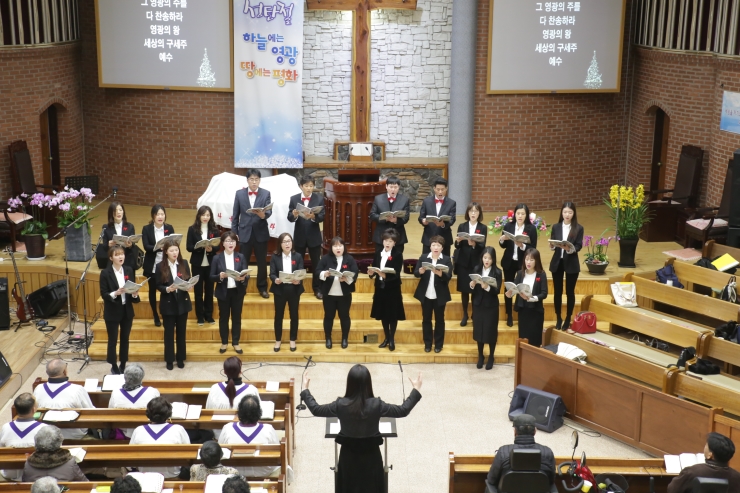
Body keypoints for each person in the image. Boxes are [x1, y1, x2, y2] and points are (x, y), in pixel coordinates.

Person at [300, 364, 422, 493]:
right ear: (368, 383)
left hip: (348, 459)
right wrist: (416, 389)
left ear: (349, 383)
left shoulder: (340, 405)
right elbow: (403, 410)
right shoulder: (377, 405)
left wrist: (305, 389)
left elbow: (316, 409)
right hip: (372, 459)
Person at [484, 414, 556, 493]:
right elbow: (551, 481)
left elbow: (491, 480)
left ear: (515, 431)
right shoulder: (547, 453)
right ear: (535, 431)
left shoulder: (503, 452)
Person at [231, 169, 272, 299]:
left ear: (259, 180)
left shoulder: (266, 193)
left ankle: (262, 288)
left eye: (256, 179)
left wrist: (263, 215)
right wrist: (234, 233)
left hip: (261, 232)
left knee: (262, 262)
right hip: (244, 232)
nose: (254, 182)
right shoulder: (239, 194)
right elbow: (235, 216)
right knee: (243, 262)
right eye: (251, 179)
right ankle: (242, 286)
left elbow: (269, 212)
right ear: (247, 180)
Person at [100, 245, 140, 375]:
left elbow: (132, 289)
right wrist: (115, 293)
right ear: (111, 258)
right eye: (117, 255)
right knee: (112, 340)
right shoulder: (105, 273)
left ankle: (123, 363)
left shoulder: (128, 270)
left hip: (126, 310)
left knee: (125, 338)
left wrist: (135, 294)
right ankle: (113, 365)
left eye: (122, 254)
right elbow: (104, 294)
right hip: (112, 311)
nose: (120, 257)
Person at [218, 395, 280, 478]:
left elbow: (220, 451)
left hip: (234, 471)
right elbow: (276, 452)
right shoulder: (268, 429)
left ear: (240, 411)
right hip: (262, 471)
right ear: (259, 412)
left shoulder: (227, 428)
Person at [129, 397, 190, 478]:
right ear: (169, 413)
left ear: (148, 413)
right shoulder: (178, 429)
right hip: (172, 474)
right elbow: (188, 455)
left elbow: (131, 457)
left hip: (145, 474)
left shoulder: (138, 430)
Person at [33, 359, 94, 440]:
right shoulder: (77, 390)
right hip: (75, 437)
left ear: (47, 372)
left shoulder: (38, 389)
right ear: (65, 372)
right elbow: (91, 412)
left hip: (47, 437)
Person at [316, 236, 359, 349]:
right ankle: (328, 338)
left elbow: (355, 272)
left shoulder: (349, 259)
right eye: (335, 246)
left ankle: (344, 338)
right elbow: (317, 271)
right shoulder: (325, 258)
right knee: (328, 317)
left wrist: (347, 279)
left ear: (344, 247)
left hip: (344, 295)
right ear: (331, 248)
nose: (338, 248)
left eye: (340, 245)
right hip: (329, 295)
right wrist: (324, 274)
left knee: (344, 317)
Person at [156, 239, 193, 370]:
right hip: (168, 304)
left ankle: (180, 358)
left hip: (182, 303)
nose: (174, 253)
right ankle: (170, 359)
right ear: (166, 252)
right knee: (169, 334)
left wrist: (190, 286)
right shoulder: (160, 266)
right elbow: (158, 285)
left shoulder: (184, 263)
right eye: (171, 250)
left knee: (181, 333)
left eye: (176, 250)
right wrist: (167, 289)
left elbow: (189, 280)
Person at [499, 204, 538, 327]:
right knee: (509, 288)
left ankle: (520, 311)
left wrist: (522, 245)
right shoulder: (508, 226)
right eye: (518, 213)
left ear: (526, 215)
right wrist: (502, 240)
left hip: (523, 262)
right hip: (509, 261)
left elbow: (533, 248)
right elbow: (503, 246)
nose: (520, 216)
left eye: (523, 214)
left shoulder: (531, 229)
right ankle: (509, 314)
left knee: (522, 287)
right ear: (514, 214)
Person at [210, 232, 249, 354]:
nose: (230, 243)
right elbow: (211, 276)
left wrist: (243, 278)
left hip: (237, 292)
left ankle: (236, 342)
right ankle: (224, 342)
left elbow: (246, 274)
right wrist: (220, 276)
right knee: (224, 318)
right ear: (223, 243)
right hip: (223, 292)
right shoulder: (217, 258)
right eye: (227, 241)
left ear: (236, 243)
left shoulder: (240, 256)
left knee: (236, 318)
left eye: (232, 241)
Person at [287, 176, 325, 298]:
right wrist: (294, 215)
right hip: (299, 236)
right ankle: (297, 287)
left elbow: (322, 216)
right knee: (298, 263)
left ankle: (317, 289)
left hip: (314, 236)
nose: (309, 188)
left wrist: (314, 217)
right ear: (301, 186)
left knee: (316, 264)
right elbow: (289, 217)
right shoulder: (294, 199)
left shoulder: (319, 199)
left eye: (311, 186)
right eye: (306, 186)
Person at [413, 236, 453, 353]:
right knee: (426, 320)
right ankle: (428, 344)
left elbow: (448, 277)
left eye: (438, 245)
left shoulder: (446, 260)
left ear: (442, 248)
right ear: (430, 247)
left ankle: (438, 345)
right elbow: (416, 273)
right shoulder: (424, 257)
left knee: (439, 320)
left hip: (439, 295)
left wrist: (440, 274)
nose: (436, 247)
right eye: (434, 245)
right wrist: (420, 271)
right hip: (426, 294)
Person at [206, 356, 261, 439]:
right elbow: (257, 413)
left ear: (224, 372)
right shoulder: (251, 390)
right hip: (245, 434)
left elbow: (208, 411)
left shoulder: (214, 388)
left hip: (219, 435)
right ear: (240, 371)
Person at [549, 201, 584, 330]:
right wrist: (552, 246)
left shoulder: (578, 228)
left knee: (570, 292)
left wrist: (570, 249)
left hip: (571, 263)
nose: (567, 214)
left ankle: (568, 317)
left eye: (570, 212)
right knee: (557, 292)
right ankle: (558, 317)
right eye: (565, 212)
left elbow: (579, 245)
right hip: (557, 262)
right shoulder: (556, 227)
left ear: (573, 213)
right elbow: (554, 243)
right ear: (561, 213)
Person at [667, 432, 740, 493]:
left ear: (710, 455)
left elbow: (672, 490)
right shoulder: (737, 477)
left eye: (706, 445)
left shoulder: (691, 472)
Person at [369, 229, 405, 351]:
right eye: (385, 240)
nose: (387, 243)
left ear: (394, 243)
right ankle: (386, 338)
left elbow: (396, 274)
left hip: (392, 288)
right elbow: (375, 267)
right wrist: (371, 273)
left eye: (390, 241)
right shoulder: (378, 253)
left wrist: (384, 276)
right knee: (383, 314)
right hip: (380, 288)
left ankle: (392, 339)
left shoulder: (397, 255)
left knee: (392, 315)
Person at [505, 248, 547, 347]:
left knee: (535, 338)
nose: (528, 262)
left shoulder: (541, 274)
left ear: (536, 261)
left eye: (531, 260)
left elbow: (544, 293)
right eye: (527, 259)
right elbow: (515, 287)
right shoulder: (520, 273)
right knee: (523, 338)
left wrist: (531, 298)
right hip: (523, 310)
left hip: (536, 311)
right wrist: (510, 293)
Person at [0, 393, 48, 481]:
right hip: (36, 473)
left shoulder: (5, 427)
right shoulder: (44, 428)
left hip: (10, 473)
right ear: (34, 409)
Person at [270, 232, 304, 352]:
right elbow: (272, 274)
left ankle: (292, 339)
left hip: (294, 289)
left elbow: (301, 272)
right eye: (284, 242)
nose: (287, 244)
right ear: (280, 244)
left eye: (289, 241)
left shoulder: (297, 256)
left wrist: (298, 280)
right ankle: (278, 340)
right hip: (280, 289)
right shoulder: (275, 257)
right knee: (278, 316)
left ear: (292, 243)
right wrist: (276, 280)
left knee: (294, 315)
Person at [469, 247, 502, 370]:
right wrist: (472, 285)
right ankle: (480, 356)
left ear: (493, 259)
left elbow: (497, 291)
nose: (487, 260)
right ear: (482, 258)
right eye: (485, 257)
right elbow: (472, 289)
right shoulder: (477, 269)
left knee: (490, 331)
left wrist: (487, 287)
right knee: (479, 330)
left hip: (491, 306)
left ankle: (491, 356)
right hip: (478, 304)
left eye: (489, 258)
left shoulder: (497, 272)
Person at [142, 205, 175, 327]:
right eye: (158, 214)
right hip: (153, 265)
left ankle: (167, 313)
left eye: (162, 214)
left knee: (167, 289)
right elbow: (146, 246)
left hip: (166, 265)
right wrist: (158, 247)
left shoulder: (169, 228)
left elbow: (173, 243)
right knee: (152, 290)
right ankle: (155, 315)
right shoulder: (147, 229)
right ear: (153, 216)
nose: (160, 217)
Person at [186, 205, 220, 326]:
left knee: (210, 291)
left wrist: (211, 249)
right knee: (198, 291)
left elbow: (218, 246)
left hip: (210, 264)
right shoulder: (192, 229)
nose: (205, 217)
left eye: (208, 215)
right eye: (203, 215)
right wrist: (200, 247)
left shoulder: (214, 229)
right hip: (197, 264)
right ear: (199, 216)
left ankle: (209, 315)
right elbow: (189, 247)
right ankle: (200, 316)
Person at [454, 202, 486, 326]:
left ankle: (474, 314)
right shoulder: (462, 226)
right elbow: (457, 246)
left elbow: (483, 246)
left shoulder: (482, 227)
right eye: (471, 211)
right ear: (468, 213)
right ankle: (465, 314)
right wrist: (458, 241)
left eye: (476, 211)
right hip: (463, 263)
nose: (473, 213)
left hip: (476, 263)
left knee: (475, 290)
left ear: (479, 213)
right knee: (464, 290)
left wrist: (474, 244)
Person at [108, 363, 160, 438]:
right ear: (141, 377)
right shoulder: (153, 392)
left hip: (123, 431)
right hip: (147, 431)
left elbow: (110, 412)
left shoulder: (116, 392)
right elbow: (158, 412)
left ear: (125, 377)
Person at [22, 426, 88, 482]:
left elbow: (24, 485)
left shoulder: (28, 464)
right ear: (59, 442)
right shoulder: (70, 463)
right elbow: (85, 484)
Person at [369, 176, 411, 254]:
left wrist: (396, 220)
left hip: (398, 235)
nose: (393, 189)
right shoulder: (378, 199)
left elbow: (406, 218)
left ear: (399, 187)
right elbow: (372, 215)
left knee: (397, 258)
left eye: (395, 187)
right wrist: (384, 218)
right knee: (380, 258)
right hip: (381, 235)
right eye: (391, 187)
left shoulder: (404, 200)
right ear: (386, 186)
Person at [418, 177, 456, 256]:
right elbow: (421, 216)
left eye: (442, 189)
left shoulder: (451, 203)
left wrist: (443, 224)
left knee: (444, 261)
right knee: (426, 260)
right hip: (428, 237)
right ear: (434, 188)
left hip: (444, 238)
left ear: (446, 189)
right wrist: (423, 221)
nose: (440, 192)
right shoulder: (426, 201)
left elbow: (452, 219)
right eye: (438, 189)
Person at [97, 201, 137, 271]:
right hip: (113, 261)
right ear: (111, 213)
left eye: (120, 210)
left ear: (123, 212)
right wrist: (108, 244)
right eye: (115, 211)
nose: (118, 212)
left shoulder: (130, 226)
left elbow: (133, 245)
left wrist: (130, 245)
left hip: (127, 260)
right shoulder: (106, 227)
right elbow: (104, 247)